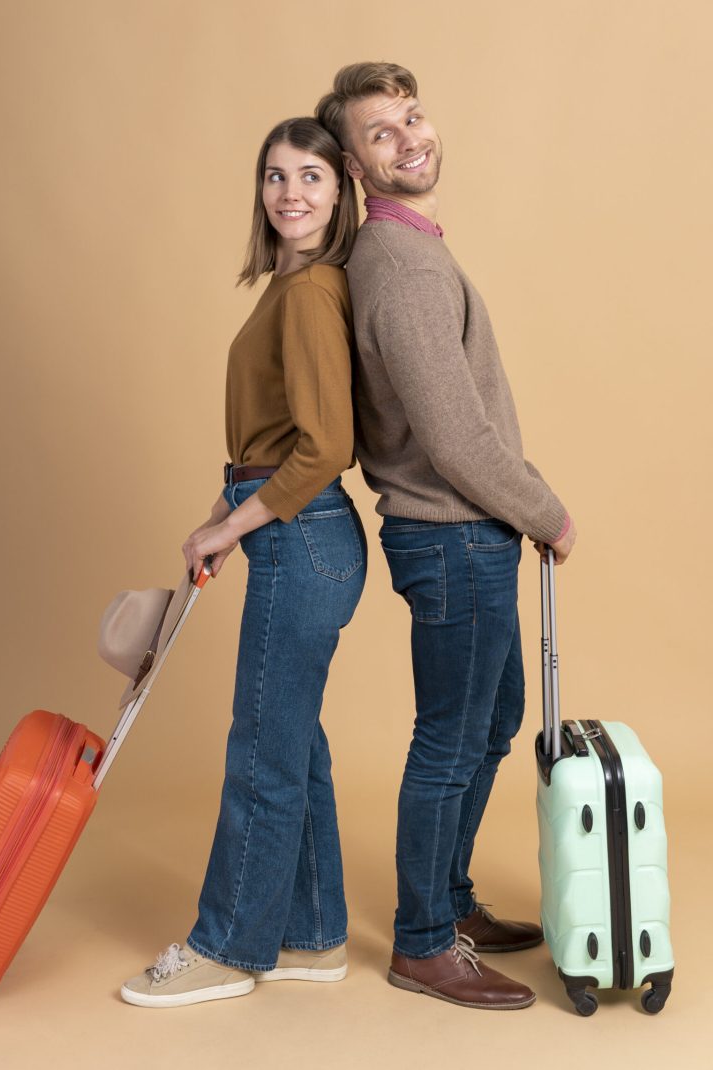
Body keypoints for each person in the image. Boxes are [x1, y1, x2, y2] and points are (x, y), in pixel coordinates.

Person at [315, 63, 576, 1011]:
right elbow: (454, 434)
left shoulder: (414, 250)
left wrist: (522, 506)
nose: (409, 137)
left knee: (491, 725)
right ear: (353, 163)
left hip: (473, 534)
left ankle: (450, 900)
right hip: (455, 539)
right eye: (380, 133)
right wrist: (545, 510)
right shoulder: (401, 264)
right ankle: (423, 942)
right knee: (449, 742)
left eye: (411, 117)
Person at [119, 117, 366, 1009]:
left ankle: (227, 946)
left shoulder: (307, 294)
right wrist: (220, 516)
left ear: (340, 193)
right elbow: (275, 444)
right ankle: (310, 935)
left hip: (303, 537)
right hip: (292, 531)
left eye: (310, 176)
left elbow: (326, 444)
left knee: (263, 749)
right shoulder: (293, 285)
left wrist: (236, 524)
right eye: (274, 176)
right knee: (292, 744)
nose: (290, 193)